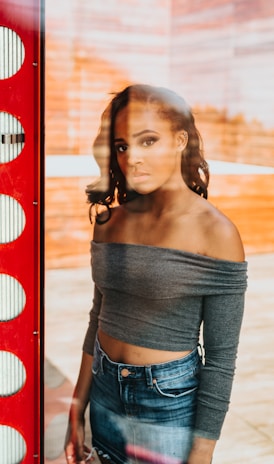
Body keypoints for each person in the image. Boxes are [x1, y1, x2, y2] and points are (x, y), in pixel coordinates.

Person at [64, 84, 247, 464]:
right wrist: (76, 406)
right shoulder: (110, 221)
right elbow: (99, 315)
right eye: (122, 146)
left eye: (148, 141)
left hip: (167, 405)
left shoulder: (217, 234)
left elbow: (221, 358)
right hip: (103, 393)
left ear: (180, 140)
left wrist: (202, 453)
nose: (132, 159)